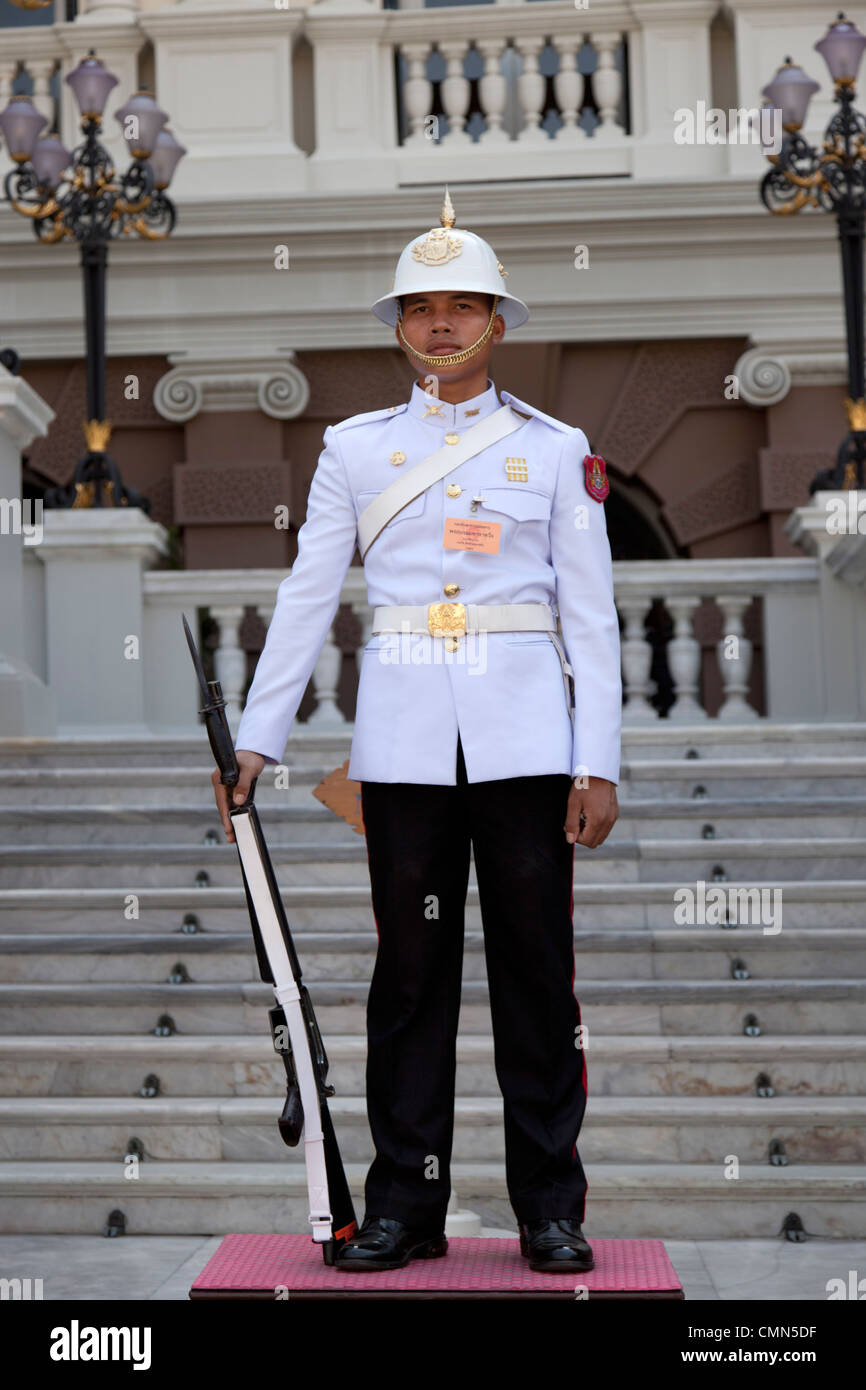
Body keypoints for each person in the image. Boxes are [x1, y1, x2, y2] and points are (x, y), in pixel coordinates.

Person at [212, 189, 621, 1274]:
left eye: (461, 304)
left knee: (536, 975)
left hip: (527, 742)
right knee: (408, 978)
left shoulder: (556, 447)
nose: (440, 323)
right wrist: (257, 741)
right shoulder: (354, 449)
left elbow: (590, 616)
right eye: (420, 306)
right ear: (397, 325)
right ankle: (404, 1207)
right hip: (400, 741)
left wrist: (598, 760)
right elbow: (307, 597)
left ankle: (548, 1207)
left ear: (496, 319)